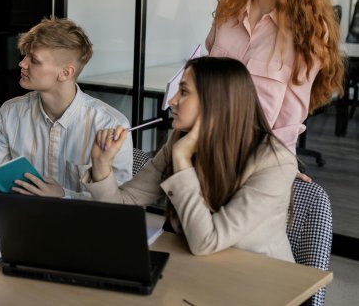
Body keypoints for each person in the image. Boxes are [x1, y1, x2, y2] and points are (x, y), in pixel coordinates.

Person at [88, 57, 297, 261]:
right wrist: (101, 164)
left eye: (184, 91)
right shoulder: (179, 141)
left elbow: (207, 241)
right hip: (197, 267)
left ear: (215, 102)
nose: (171, 100)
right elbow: (122, 204)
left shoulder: (275, 162)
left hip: (261, 278)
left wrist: (182, 160)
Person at [206, 0, 343, 156]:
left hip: (260, 157)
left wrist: (277, 169)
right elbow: (205, 81)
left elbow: (290, 117)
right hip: (207, 144)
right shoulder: (226, 16)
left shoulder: (308, 28)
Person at [0, 17, 133, 199]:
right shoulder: (11, 112)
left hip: (80, 225)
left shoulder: (111, 125)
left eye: (34, 60)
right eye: (25, 55)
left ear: (65, 73)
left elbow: (120, 203)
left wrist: (63, 196)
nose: (22, 63)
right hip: (20, 217)